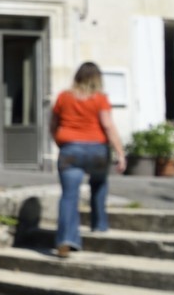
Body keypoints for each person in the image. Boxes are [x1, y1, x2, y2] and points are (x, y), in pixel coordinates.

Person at [50, 61, 126, 258]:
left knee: (69, 196)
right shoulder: (100, 98)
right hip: (97, 150)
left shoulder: (63, 97)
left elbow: (53, 124)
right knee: (99, 183)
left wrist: (61, 143)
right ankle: (99, 225)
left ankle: (66, 240)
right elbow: (108, 126)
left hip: (70, 150)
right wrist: (120, 153)